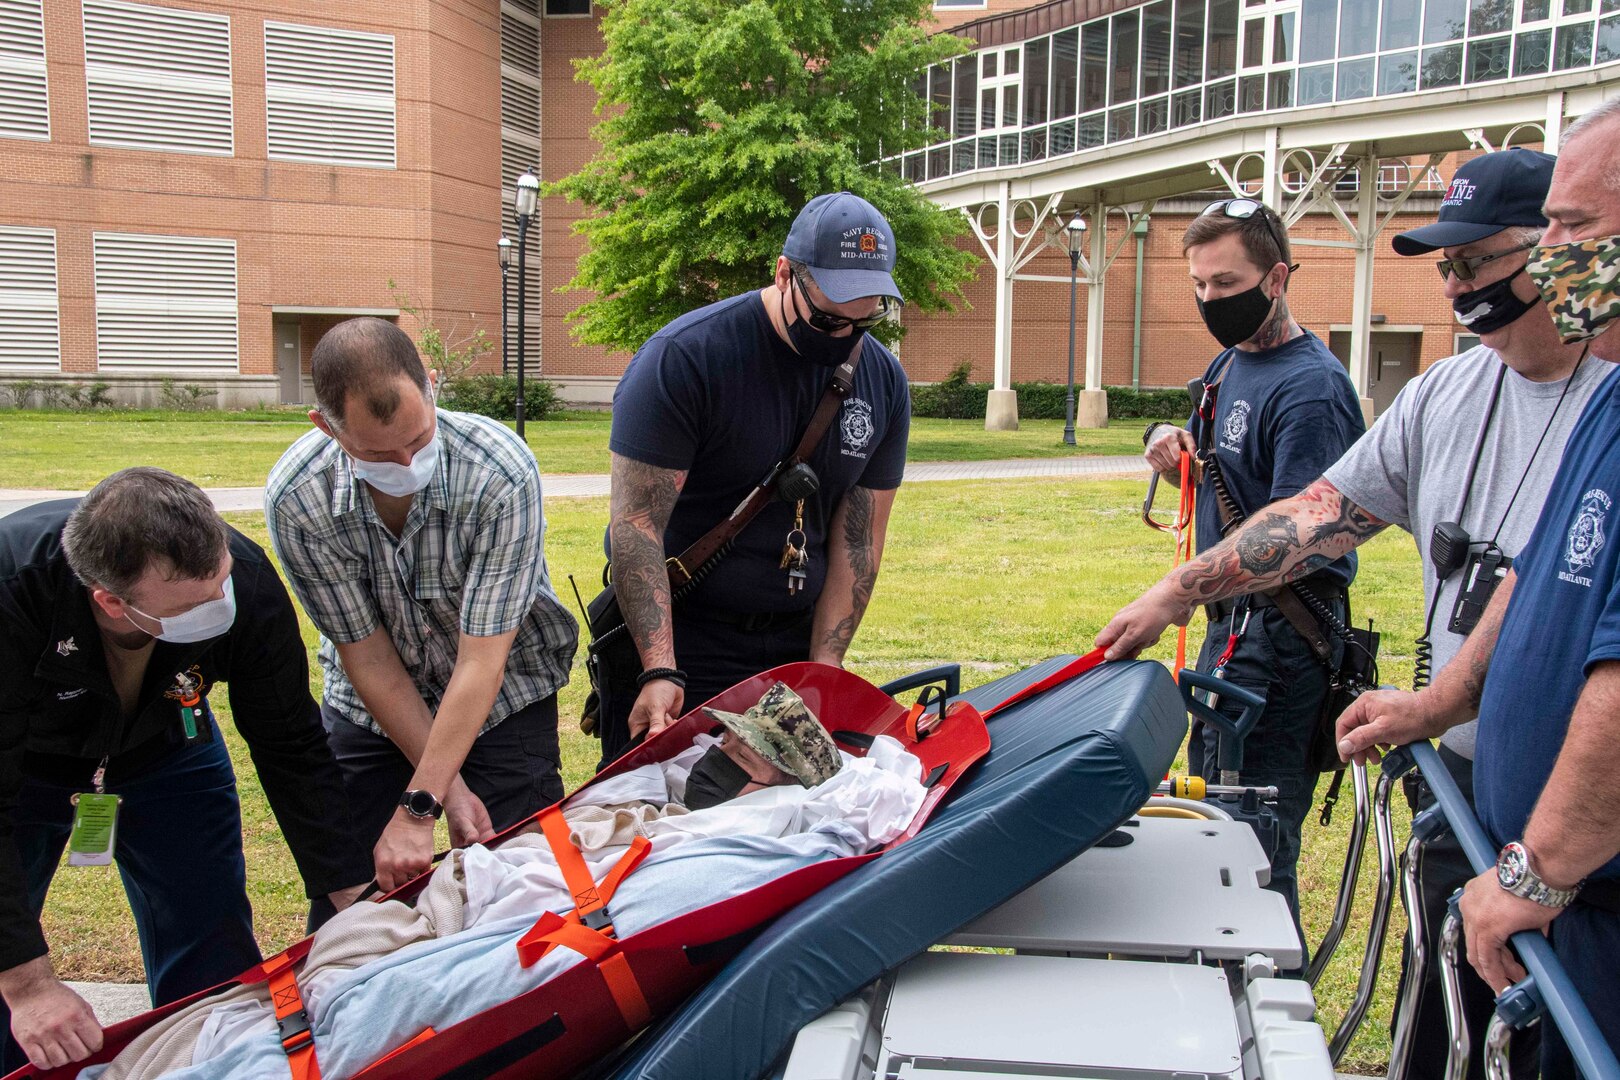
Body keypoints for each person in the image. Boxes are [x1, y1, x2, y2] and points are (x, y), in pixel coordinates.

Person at [1100, 148, 1596, 1075]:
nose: (1456, 283)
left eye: (1479, 260)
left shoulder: (1602, 406)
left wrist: (1447, 705)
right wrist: (1176, 592)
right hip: (1461, 781)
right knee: (1442, 1019)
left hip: (1577, 815)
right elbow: (1322, 514)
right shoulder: (1444, 391)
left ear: (1556, 252)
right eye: (1444, 265)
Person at [1339, 99, 1620, 1077]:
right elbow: (1538, 575)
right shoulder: (1613, 402)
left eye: (1575, 231)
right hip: (1512, 846)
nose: (1554, 259)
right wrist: (1440, 701)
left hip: (1582, 895)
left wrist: (1534, 871)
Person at [0, 468, 372, 1073]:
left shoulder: (240, 577)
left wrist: (352, 890)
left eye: (219, 584)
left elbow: (291, 743)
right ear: (111, 601)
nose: (218, 608)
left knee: (212, 944)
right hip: (29, 767)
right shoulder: (13, 588)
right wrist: (28, 986)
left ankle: (212, 1063)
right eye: (192, 605)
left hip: (171, 748)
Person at [1103, 198, 1365, 932]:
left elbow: (1300, 535)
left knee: (1253, 844)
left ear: (1276, 277)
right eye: (1200, 285)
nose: (1210, 300)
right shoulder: (1232, 362)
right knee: (1211, 820)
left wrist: (1174, 596)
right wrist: (1166, 436)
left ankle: (1270, 1017)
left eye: (1226, 283)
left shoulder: (1311, 388)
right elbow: (1205, 446)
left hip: (1282, 641)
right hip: (1232, 634)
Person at [597, 191, 911, 768]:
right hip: (686, 636)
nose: (844, 337)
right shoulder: (686, 359)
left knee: (791, 823)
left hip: (795, 640)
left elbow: (859, 542)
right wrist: (659, 668)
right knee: (667, 816)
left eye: (863, 321)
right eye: (827, 318)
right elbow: (636, 527)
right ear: (784, 273)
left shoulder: (883, 381)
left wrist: (824, 673)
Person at [265, 318, 578, 893]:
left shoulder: (500, 471)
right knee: (357, 893)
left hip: (503, 698)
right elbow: (369, 658)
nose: (407, 465)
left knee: (525, 887)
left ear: (432, 385)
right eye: (379, 453)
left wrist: (420, 803)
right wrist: (436, 799)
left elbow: (481, 659)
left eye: (419, 439)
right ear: (326, 427)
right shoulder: (297, 499)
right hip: (371, 710)